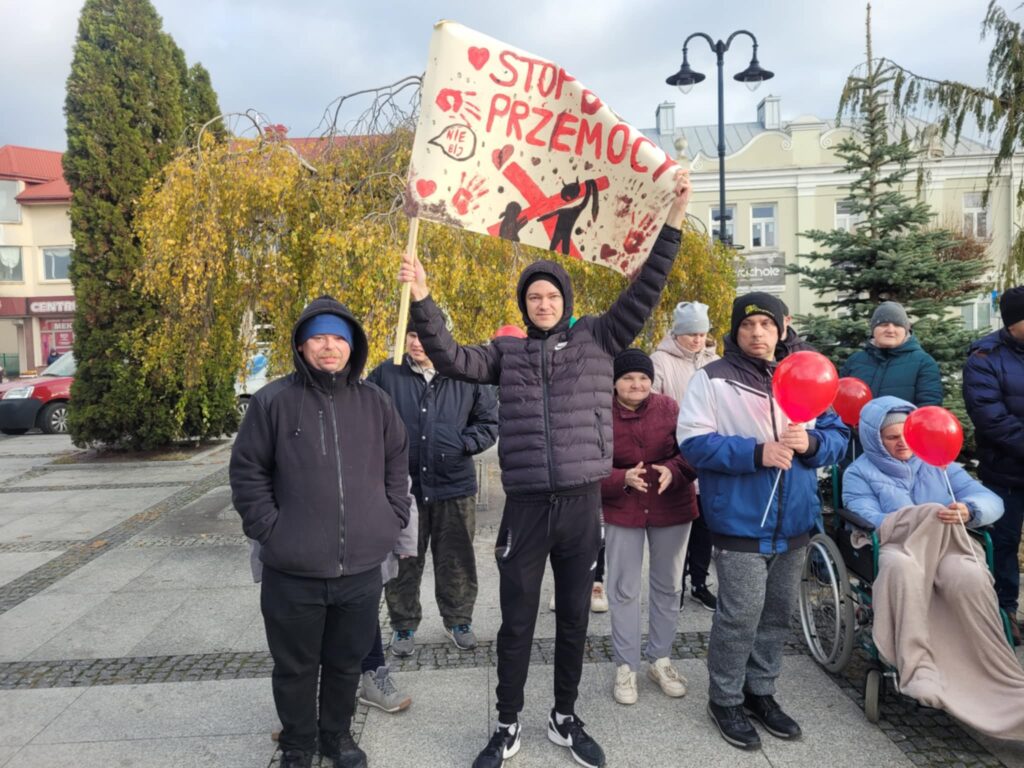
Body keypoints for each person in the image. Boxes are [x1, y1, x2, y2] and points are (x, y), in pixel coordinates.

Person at [400, 170, 691, 768]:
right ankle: (507, 724)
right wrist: (424, 297)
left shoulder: (599, 340)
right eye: (534, 296)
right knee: (516, 621)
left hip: (582, 506)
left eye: (552, 295)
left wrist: (675, 222)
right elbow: (450, 357)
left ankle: (564, 717)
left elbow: (647, 288)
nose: (543, 302)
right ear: (524, 306)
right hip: (528, 510)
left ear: (566, 302)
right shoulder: (503, 354)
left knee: (575, 619)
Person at [230, 296, 412, 768]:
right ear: (301, 344)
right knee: (295, 668)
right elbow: (247, 473)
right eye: (319, 337)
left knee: (345, 663)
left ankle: (336, 738)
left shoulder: (376, 402)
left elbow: (397, 465)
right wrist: (271, 530)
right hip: (292, 569)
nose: (329, 347)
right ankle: (297, 743)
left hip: (359, 569)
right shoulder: (273, 401)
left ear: (352, 346)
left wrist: (390, 518)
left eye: (338, 338)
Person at [677, 291, 849, 750]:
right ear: (735, 330)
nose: (757, 333)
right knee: (739, 615)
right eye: (748, 325)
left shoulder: (808, 376)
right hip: (740, 522)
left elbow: (837, 437)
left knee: (777, 615)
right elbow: (693, 444)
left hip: (794, 522)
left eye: (766, 325)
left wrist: (809, 445)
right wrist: (757, 453)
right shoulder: (712, 379)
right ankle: (726, 698)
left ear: (782, 327)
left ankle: (761, 692)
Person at [841, 397, 1024, 738]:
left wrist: (969, 511)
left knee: (966, 573)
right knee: (901, 566)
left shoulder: (940, 465)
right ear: (874, 438)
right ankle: (917, 664)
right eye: (891, 436)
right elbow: (866, 516)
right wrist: (923, 516)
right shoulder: (859, 472)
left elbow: (991, 500)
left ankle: (986, 665)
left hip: (947, 549)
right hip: (894, 546)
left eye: (907, 433)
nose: (902, 442)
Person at [366, 326, 498, 656]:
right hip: (403, 486)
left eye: (423, 335)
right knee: (404, 558)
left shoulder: (466, 372)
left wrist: (463, 443)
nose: (416, 342)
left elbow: (489, 422)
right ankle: (403, 625)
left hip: (454, 484)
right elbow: (366, 420)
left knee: (456, 557)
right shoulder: (386, 373)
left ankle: (459, 619)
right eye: (410, 334)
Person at [602, 349, 697, 705]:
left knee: (669, 585)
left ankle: (660, 658)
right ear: (615, 382)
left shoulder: (670, 408)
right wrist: (619, 478)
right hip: (622, 507)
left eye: (643, 378)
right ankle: (625, 665)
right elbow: (588, 462)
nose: (637, 384)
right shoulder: (600, 412)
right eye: (628, 378)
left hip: (670, 503)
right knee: (623, 587)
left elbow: (694, 449)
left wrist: (675, 468)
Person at [963, 284, 1024, 645]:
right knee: (1003, 544)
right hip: (1005, 471)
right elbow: (991, 419)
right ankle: (1004, 613)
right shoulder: (985, 357)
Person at [651, 300, 718, 611]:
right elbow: (650, 404)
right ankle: (672, 584)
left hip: (708, 451)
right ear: (677, 334)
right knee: (677, 525)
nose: (697, 339)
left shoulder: (715, 361)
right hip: (674, 452)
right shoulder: (660, 361)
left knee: (705, 522)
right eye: (691, 333)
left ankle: (700, 582)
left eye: (702, 333)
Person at [840, 301, 943, 406]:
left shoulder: (923, 363)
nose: (890, 330)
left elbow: (929, 407)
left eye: (897, 325)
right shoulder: (855, 361)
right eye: (884, 325)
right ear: (873, 329)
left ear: (906, 330)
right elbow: (838, 401)